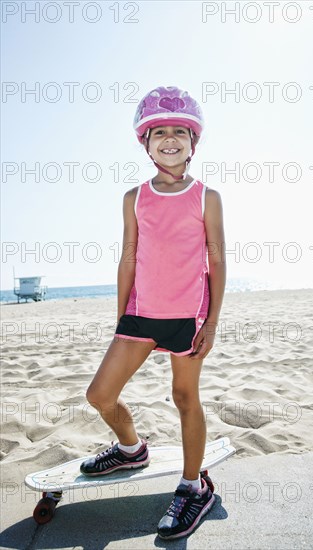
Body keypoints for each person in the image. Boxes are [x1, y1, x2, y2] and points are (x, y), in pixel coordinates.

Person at [80, 85, 226, 539]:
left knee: (186, 399)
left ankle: (192, 487)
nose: (168, 138)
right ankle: (131, 448)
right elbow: (128, 257)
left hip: (188, 316)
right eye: (158, 131)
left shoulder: (207, 196)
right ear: (145, 142)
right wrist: (121, 316)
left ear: (192, 141)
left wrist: (212, 323)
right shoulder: (133, 197)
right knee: (100, 395)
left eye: (178, 131)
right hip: (140, 314)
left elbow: (216, 260)